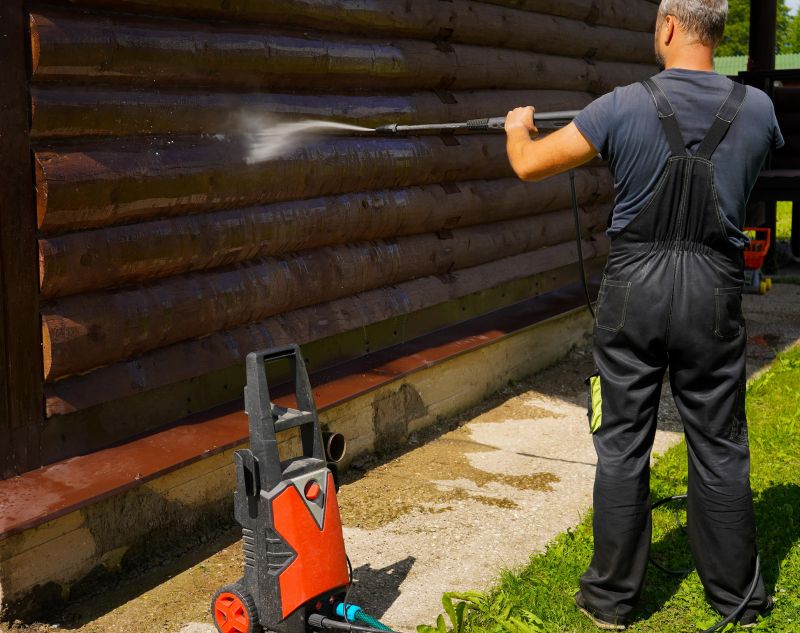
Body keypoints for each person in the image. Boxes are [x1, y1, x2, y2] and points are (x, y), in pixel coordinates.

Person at [504, 0, 783, 629]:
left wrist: (517, 126)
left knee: (623, 443)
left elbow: (527, 164)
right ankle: (738, 599)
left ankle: (610, 600)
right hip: (713, 288)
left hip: (634, 290)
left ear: (667, 26)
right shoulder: (758, 110)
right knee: (718, 443)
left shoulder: (621, 104)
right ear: (717, 30)